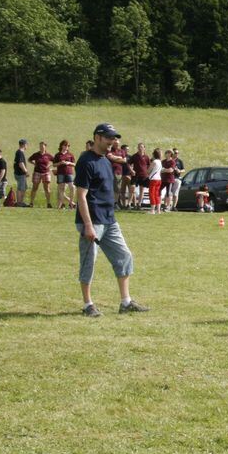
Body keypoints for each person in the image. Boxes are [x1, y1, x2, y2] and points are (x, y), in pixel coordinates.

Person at [74, 123, 148, 317]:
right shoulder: (86, 161)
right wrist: (88, 226)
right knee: (89, 261)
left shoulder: (106, 161)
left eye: (114, 138)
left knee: (124, 256)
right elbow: (81, 195)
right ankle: (87, 304)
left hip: (109, 220)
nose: (112, 141)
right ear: (97, 137)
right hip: (93, 221)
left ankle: (126, 302)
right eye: (108, 137)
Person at [28, 141, 54, 208]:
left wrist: (50, 166)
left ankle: (48, 203)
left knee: (47, 188)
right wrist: (34, 164)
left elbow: (54, 161)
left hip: (46, 172)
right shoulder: (36, 154)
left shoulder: (48, 155)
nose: (41, 148)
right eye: (40, 146)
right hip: (37, 172)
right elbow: (29, 159)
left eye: (42, 146)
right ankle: (31, 203)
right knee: (35, 187)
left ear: (45, 147)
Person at [106, 139, 129, 208]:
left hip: (118, 172)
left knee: (117, 188)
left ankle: (115, 203)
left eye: (117, 144)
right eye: (115, 144)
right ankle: (109, 202)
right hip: (109, 171)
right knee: (109, 187)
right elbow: (110, 157)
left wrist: (115, 158)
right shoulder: (109, 150)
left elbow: (124, 161)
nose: (117, 145)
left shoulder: (122, 151)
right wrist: (119, 158)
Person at [53, 140, 77, 209]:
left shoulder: (70, 154)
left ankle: (71, 204)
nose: (67, 147)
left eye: (68, 146)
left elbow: (74, 164)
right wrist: (60, 163)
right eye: (65, 145)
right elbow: (54, 164)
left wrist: (68, 163)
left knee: (72, 187)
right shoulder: (57, 155)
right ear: (62, 146)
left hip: (69, 173)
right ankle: (60, 206)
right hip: (60, 173)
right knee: (61, 189)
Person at [130, 143, 150, 209]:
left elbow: (149, 165)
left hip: (144, 175)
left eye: (142, 147)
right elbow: (128, 163)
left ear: (144, 148)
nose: (140, 148)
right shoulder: (134, 156)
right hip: (135, 175)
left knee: (142, 190)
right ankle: (130, 204)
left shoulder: (146, 157)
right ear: (137, 148)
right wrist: (131, 170)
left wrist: (148, 173)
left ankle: (139, 204)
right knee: (132, 189)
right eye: (139, 147)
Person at [13, 139, 29, 207]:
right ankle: (19, 202)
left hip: (20, 174)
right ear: (24, 145)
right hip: (20, 174)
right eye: (26, 144)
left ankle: (21, 202)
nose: (27, 146)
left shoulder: (19, 152)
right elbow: (20, 163)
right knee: (20, 188)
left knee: (24, 187)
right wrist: (26, 171)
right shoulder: (20, 152)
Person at [147, 148, 163, 215]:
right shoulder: (160, 162)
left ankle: (152, 210)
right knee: (157, 194)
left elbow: (148, 171)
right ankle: (158, 210)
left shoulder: (154, 162)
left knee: (152, 194)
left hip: (153, 179)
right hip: (159, 179)